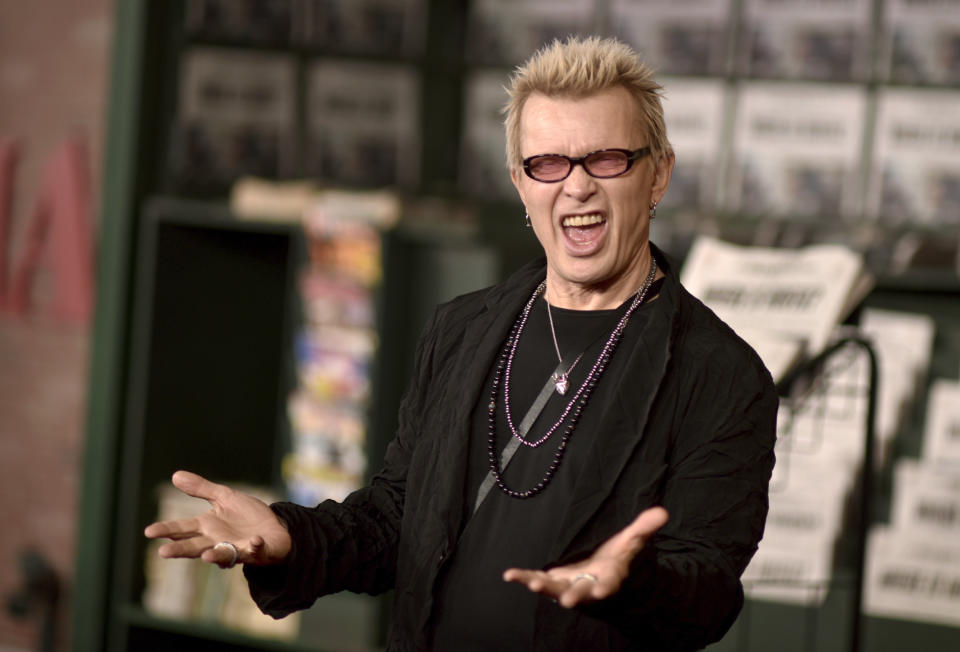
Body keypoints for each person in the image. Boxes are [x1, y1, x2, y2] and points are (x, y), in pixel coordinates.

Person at [145, 36, 778, 651]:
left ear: (659, 175)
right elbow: (396, 519)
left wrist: (635, 583)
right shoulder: (462, 329)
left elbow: (710, 589)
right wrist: (290, 535)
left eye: (607, 159)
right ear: (521, 184)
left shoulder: (720, 373)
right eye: (548, 164)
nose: (576, 186)